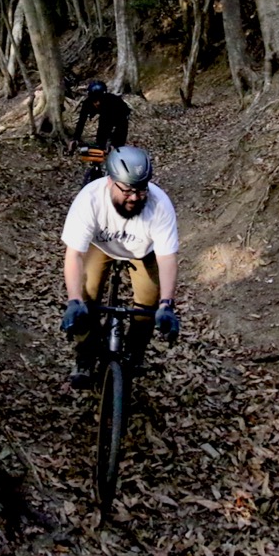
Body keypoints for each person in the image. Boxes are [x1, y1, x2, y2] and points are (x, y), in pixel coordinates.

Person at [59, 145, 179, 388]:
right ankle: (85, 355)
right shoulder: (89, 200)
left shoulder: (160, 205)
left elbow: (167, 258)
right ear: (110, 182)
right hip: (101, 247)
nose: (134, 197)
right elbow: (74, 255)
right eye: (127, 191)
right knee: (87, 298)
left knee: (148, 306)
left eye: (141, 190)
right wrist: (74, 300)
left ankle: (136, 352)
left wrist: (166, 304)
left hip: (144, 252)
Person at [68, 80, 130, 153]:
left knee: (115, 131)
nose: (97, 103)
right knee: (101, 137)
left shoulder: (112, 101)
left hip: (120, 113)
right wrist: (75, 138)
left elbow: (117, 125)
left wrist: (114, 144)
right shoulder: (87, 103)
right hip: (106, 114)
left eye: (99, 100)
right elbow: (81, 121)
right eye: (94, 100)